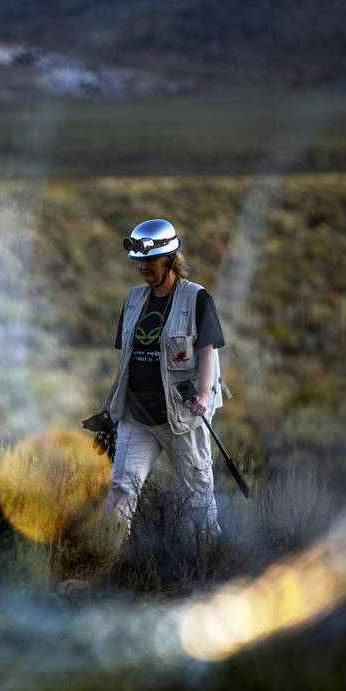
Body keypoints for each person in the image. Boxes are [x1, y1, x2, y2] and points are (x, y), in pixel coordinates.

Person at [100, 218, 226, 547]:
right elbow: (125, 358)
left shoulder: (196, 298)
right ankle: (107, 560)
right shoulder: (133, 299)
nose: (144, 268)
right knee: (122, 487)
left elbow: (207, 350)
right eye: (139, 262)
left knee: (198, 492)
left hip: (182, 417)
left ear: (170, 259)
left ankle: (207, 561)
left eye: (150, 261)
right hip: (137, 416)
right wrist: (109, 405)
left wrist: (202, 395)